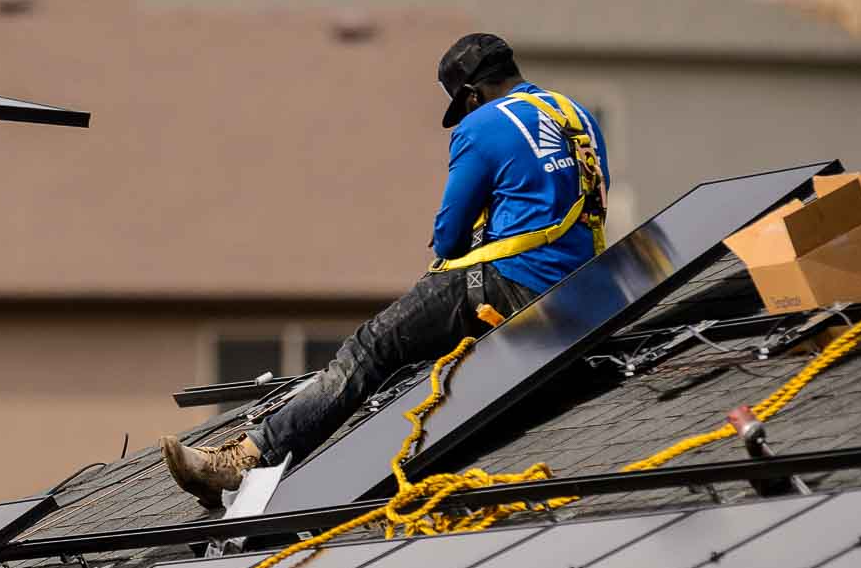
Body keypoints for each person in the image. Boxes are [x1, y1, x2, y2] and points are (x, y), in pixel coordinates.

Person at [161, 32, 611, 504]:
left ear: (472, 96)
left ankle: (246, 458)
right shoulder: (574, 115)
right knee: (419, 355)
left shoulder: (481, 127)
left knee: (371, 346)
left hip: (510, 283)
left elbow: (450, 238)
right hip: (579, 290)